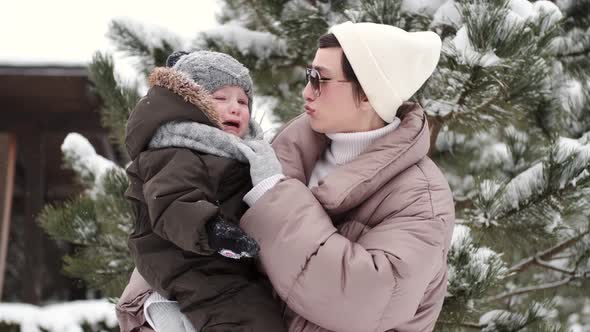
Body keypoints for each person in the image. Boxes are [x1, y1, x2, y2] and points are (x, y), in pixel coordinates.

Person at [119, 21, 455, 332]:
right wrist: (156, 306)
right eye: (308, 75)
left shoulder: (420, 198)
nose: (306, 92)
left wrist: (271, 196)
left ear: (368, 93)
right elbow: (182, 243)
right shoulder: (280, 150)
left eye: (319, 79)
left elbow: (362, 300)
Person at [117, 50, 286, 332]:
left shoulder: (240, 151)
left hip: (218, 260)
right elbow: (173, 200)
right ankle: (166, 313)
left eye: (243, 101)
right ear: (191, 104)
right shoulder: (176, 147)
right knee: (247, 317)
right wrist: (212, 229)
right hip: (187, 258)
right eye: (220, 98)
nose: (235, 108)